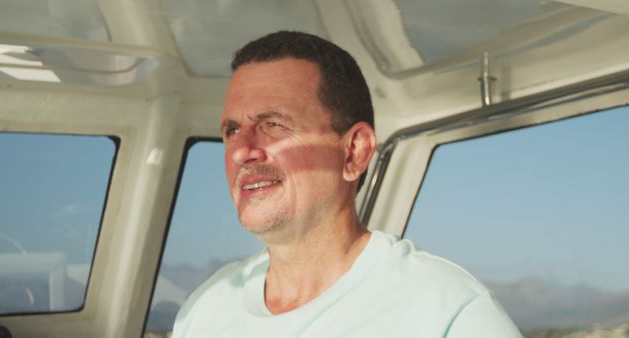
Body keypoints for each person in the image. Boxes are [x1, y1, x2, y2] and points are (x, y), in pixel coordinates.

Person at [172, 31, 522, 337]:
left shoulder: (449, 313)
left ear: (354, 151)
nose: (241, 152)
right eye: (232, 130)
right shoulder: (205, 311)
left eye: (273, 125)